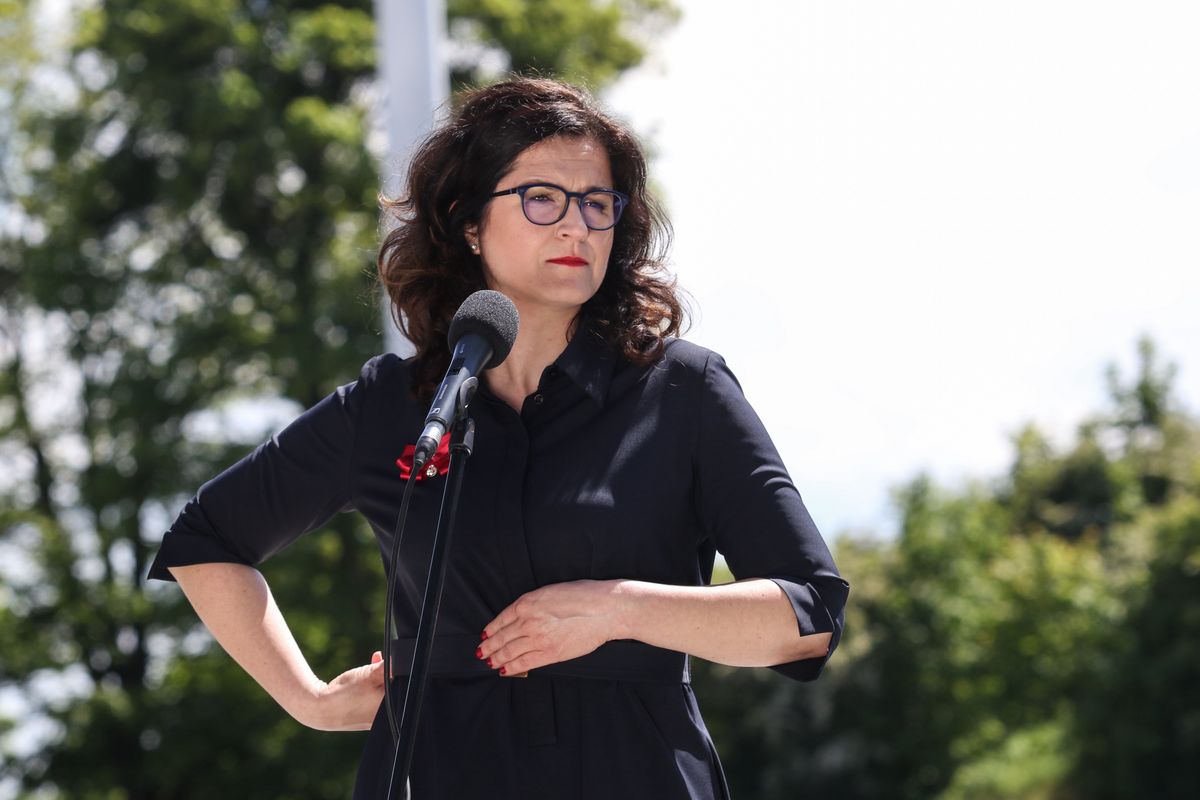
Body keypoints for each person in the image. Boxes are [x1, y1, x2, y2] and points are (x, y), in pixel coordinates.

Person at [148, 76, 848, 799]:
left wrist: (619, 608)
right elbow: (207, 540)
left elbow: (808, 616)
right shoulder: (392, 405)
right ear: (469, 222)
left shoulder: (684, 392)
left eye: (597, 204)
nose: (576, 226)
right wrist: (311, 701)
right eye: (542, 198)